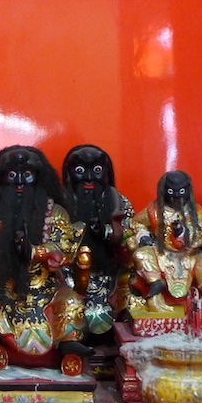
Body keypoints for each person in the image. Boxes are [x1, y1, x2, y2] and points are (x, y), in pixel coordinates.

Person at [0, 145, 90, 371]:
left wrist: (34, 252)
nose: (19, 183)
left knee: (71, 301)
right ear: (1, 179)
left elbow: (65, 247)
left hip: (45, 289)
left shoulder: (55, 213)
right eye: (12, 176)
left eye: (26, 175)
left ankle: (68, 343)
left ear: (38, 178)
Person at [61, 144, 133, 339]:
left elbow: (129, 236)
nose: (89, 178)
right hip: (69, 273)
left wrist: (107, 231)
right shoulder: (60, 204)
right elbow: (52, 238)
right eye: (80, 171)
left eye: (97, 170)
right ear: (68, 173)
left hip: (107, 273)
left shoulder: (119, 202)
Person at [129, 170, 202, 313]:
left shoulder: (197, 212)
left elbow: (201, 234)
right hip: (161, 253)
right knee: (141, 255)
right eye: (171, 191)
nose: (176, 196)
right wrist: (144, 235)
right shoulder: (154, 210)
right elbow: (136, 223)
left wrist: (182, 234)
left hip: (189, 255)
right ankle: (155, 285)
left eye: (181, 191)